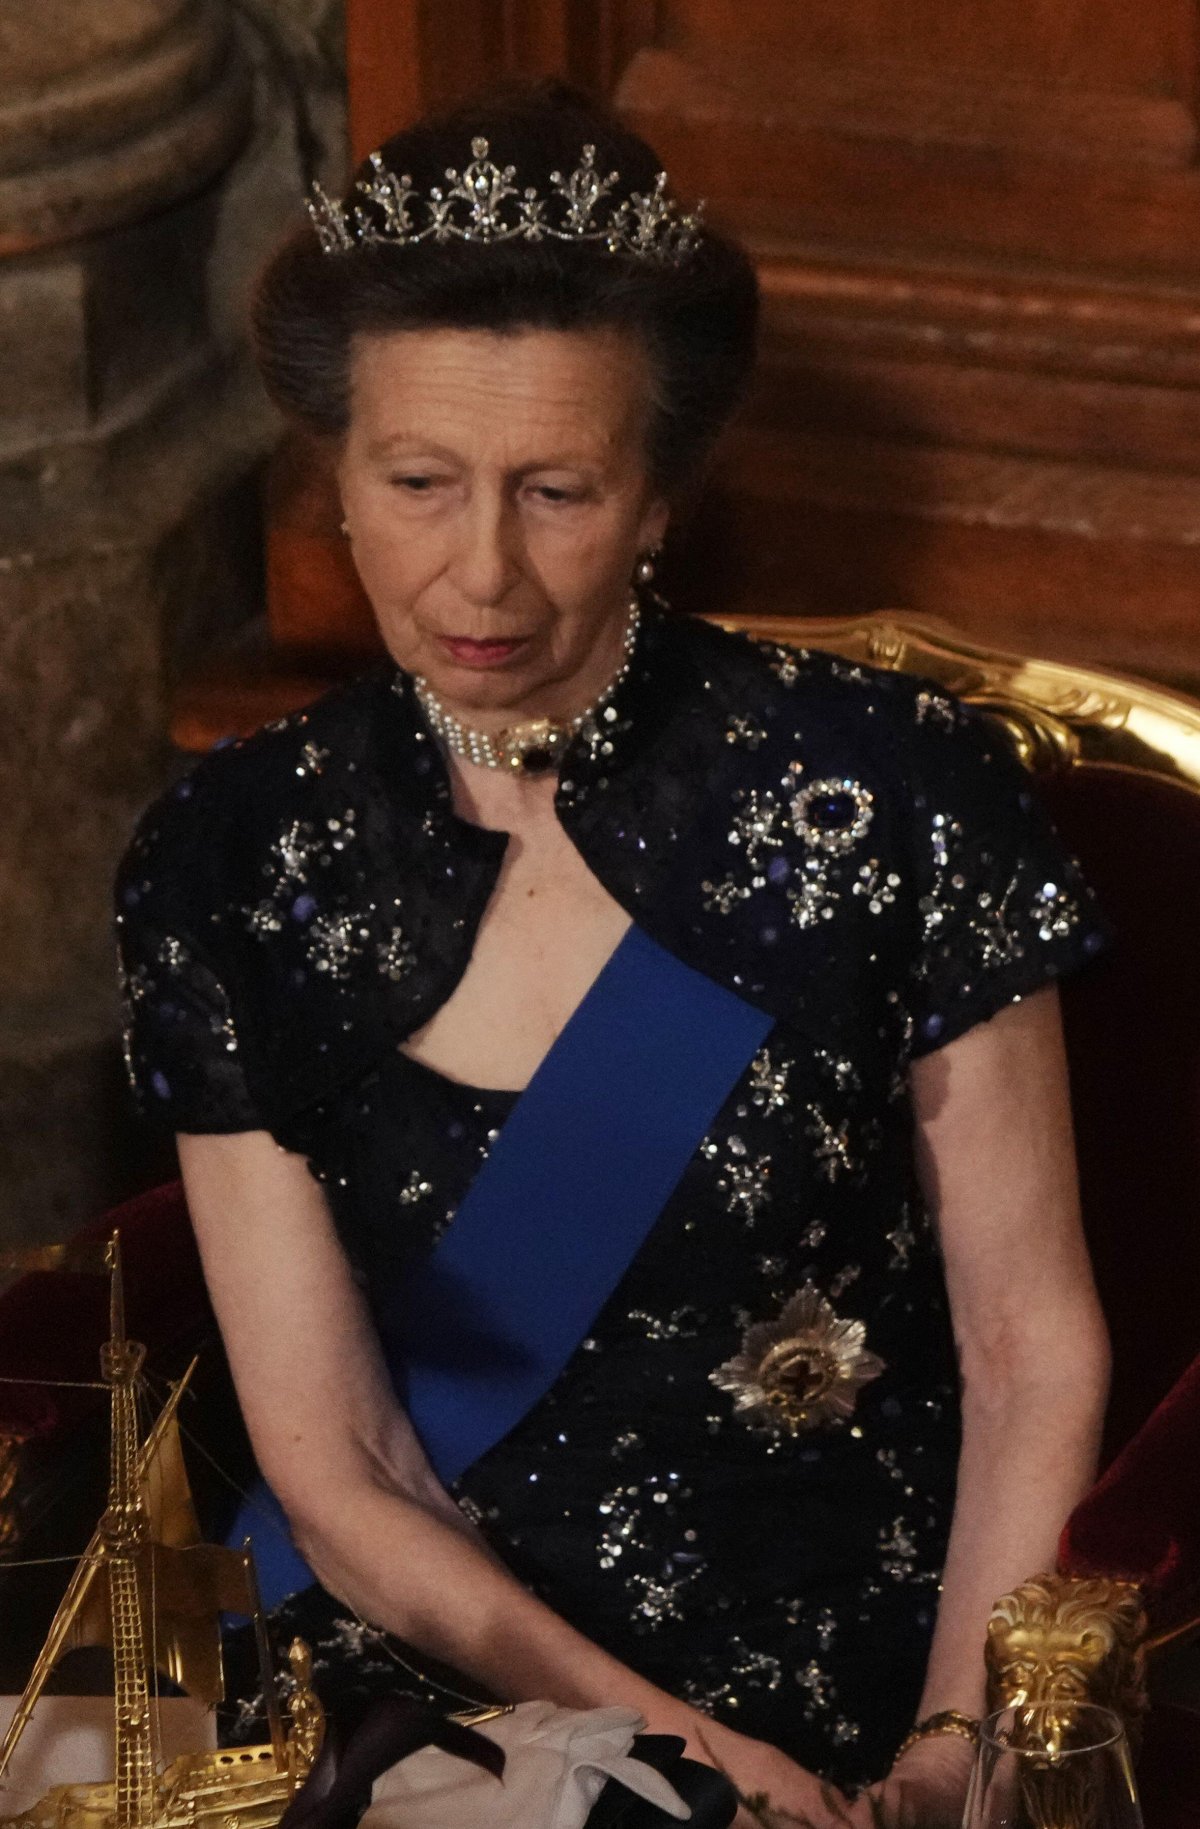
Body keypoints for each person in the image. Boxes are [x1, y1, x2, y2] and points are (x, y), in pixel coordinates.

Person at [115, 83, 1112, 1828]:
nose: (478, 570)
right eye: (415, 481)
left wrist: (963, 1751)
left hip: (865, 1680)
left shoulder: (890, 794)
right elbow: (340, 1460)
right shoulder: (230, 860)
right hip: (441, 1674)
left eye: (558, 489)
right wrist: (677, 1754)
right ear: (334, 476)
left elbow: (1032, 1342)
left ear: (662, 497)